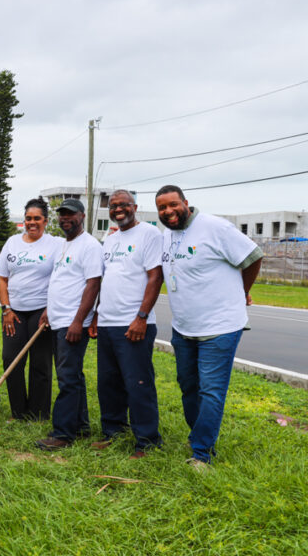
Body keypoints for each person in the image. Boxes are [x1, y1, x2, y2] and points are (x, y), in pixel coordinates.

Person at [155, 184, 262, 468]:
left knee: (210, 390)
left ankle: (202, 454)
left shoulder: (215, 227)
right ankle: (199, 436)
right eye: (162, 208)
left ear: (185, 202)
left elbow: (253, 257)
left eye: (172, 204)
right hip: (184, 327)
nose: (168, 211)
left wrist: (242, 291)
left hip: (220, 326)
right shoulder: (167, 235)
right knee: (188, 386)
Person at [88, 190, 163, 458]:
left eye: (124, 205)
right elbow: (106, 280)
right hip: (108, 322)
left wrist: (141, 317)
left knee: (138, 383)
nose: (118, 209)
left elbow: (156, 277)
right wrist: (97, 313)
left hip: (134, 323)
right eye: (113, 206)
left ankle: (147, 440)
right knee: (108, 383)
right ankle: (113, 432)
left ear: (135, 207)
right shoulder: (110, 240)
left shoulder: (150, 235)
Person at [36, 198, 103, 450]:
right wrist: (48, 310)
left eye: (71, 214)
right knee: (73, 375)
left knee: (67, 378)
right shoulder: (65, 245)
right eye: (62, 215)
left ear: (83, 216)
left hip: (72, 323)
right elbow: (62, 281)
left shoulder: (89, 246)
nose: (66, 218)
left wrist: (78, 321)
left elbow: (93, 284)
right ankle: (81, 426)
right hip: (58, 319)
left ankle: (62, 434)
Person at [0, 196, 62, 421]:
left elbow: (61, 278)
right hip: (13, 312)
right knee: (11, 359)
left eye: (37, 219)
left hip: (41, 311)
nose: (32, 223)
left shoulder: (55, 244)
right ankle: (18, 412)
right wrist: (6, 309)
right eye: (28, 219)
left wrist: (50, 309)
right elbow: (2, 278)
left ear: (45, 220)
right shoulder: (12, 243)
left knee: (40, 362)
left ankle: (39, 413)